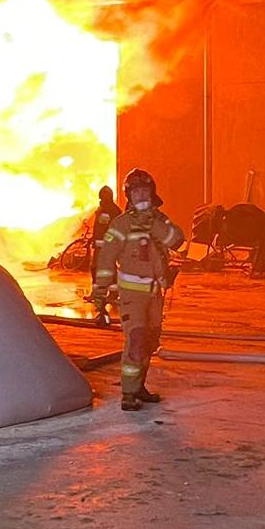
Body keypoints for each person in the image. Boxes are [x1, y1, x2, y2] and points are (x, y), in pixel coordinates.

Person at [91, 168, 185, 410]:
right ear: (128, 196)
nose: (141, 195)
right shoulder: (120, 225)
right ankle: (128, 394)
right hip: (133, 296)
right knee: (136, 340)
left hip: (155, 295)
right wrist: (100, 294)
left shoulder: (159, 220)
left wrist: (154, 225)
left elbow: (177, 240)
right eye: (136, 191)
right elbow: (105, 261)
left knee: (150, 343)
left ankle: (140, 386)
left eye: (145, 190)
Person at [86, 185, 122, 323]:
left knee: (97, 269)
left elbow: (104, 229)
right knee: (109, 270)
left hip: (104, 247)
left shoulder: (107, 210)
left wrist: (99, 242)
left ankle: (100, 294)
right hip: (105, 246)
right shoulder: (110, 209)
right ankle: (112, 293)